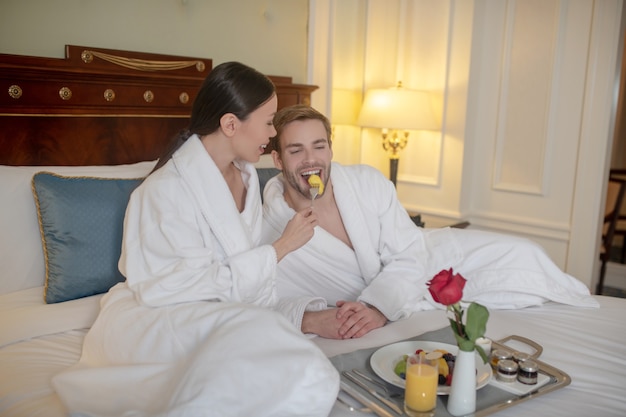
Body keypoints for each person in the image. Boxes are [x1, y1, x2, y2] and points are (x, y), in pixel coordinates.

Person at [52, 64, 339, 417]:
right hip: (160, 314)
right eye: (268, 121)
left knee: (287, 358)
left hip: (224, 310)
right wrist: (279, 248)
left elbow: (249, 284)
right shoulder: (162, 192)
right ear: (231, 124)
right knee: (272, 355)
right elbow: (174, 287)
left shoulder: (248, 179)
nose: (272, 132)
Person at [262, 104, 598, 341]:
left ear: (331, 151)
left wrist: (379, 305)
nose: (310, 159)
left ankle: (570, 293)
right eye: (296, 151)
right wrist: (311, 320)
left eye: (318, 146)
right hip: (372, 295)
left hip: (419, 259)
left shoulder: (366, 182)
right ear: (277, 158)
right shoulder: (268, 227)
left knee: (522, 252)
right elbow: (254, 298)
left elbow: (409, 250)